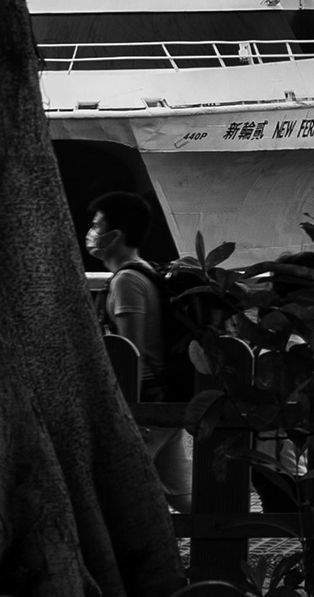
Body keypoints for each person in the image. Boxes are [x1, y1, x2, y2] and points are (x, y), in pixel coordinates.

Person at [88, 201, 190, 502]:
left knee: (114, 488)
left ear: (115, 235)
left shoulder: (127, 282)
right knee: (180, 494)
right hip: (163, 396)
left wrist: (126, 408)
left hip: (145, 403)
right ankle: (221, 531)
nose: (91, 233)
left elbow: (130, 353)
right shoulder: (144, 271)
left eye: (97, 225)